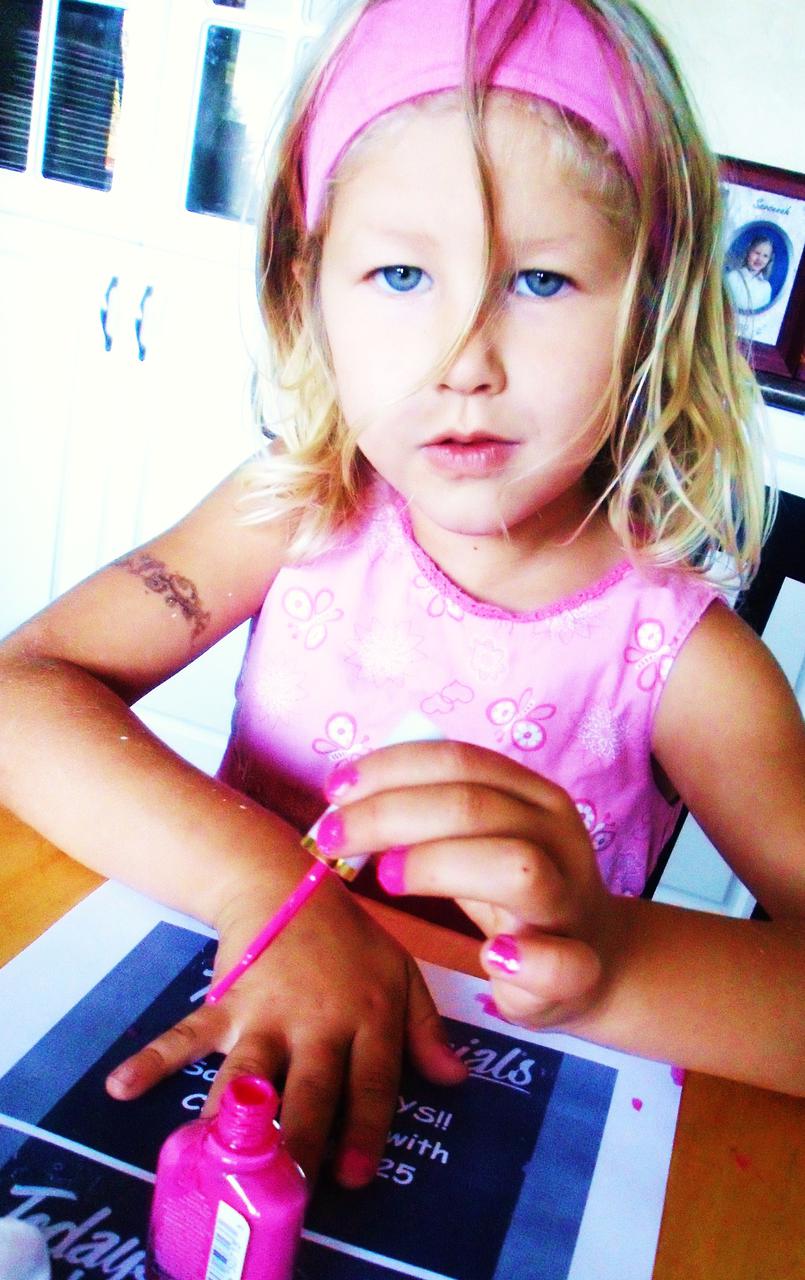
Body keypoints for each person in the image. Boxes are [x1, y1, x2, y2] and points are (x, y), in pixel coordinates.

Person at [0, 0, 803, 1194]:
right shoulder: (296, 510)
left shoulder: (687, 662)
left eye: (541, 278)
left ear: (652, 307)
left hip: (476, 1150)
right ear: (308, 286)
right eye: (400, 273)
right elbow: (21, 689)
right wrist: (268, 889)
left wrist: (608, 955)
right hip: (231, 1056)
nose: (464, 358)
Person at [725, 234, 775, 312]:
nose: (760, 259)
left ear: (769, 260)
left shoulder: (766, 287)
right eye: (757, 253)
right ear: (749, 252)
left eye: (765, 256)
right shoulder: (732, 277)